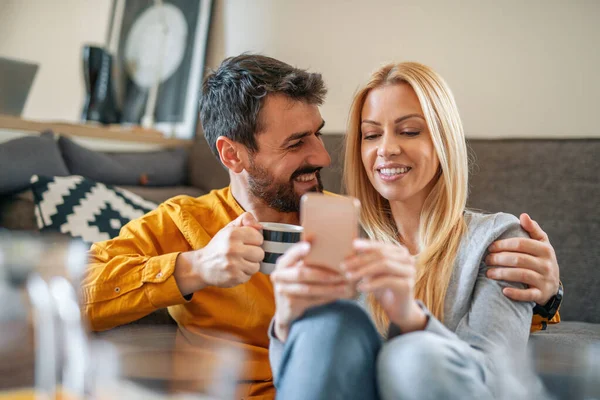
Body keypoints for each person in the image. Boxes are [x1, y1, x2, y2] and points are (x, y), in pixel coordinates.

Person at [82, 55, 560, 399]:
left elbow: (474, 307)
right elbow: (70, 293)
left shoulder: (348, 220)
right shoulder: (184, 223)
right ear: (232, 154)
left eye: (319, 133)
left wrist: (547, 297)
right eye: (296, 143)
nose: (322, 156)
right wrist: (194, 268)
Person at [269, 61, 558, 400]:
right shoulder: (341, 240)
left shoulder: (498, 239)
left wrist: (410, 319)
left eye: (408, 131)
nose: (386, 148)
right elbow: (302, 376)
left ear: (443, 140)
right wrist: (286, 323)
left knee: (412, 356)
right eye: (372, 134)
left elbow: (496, 381)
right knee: (327, 327)